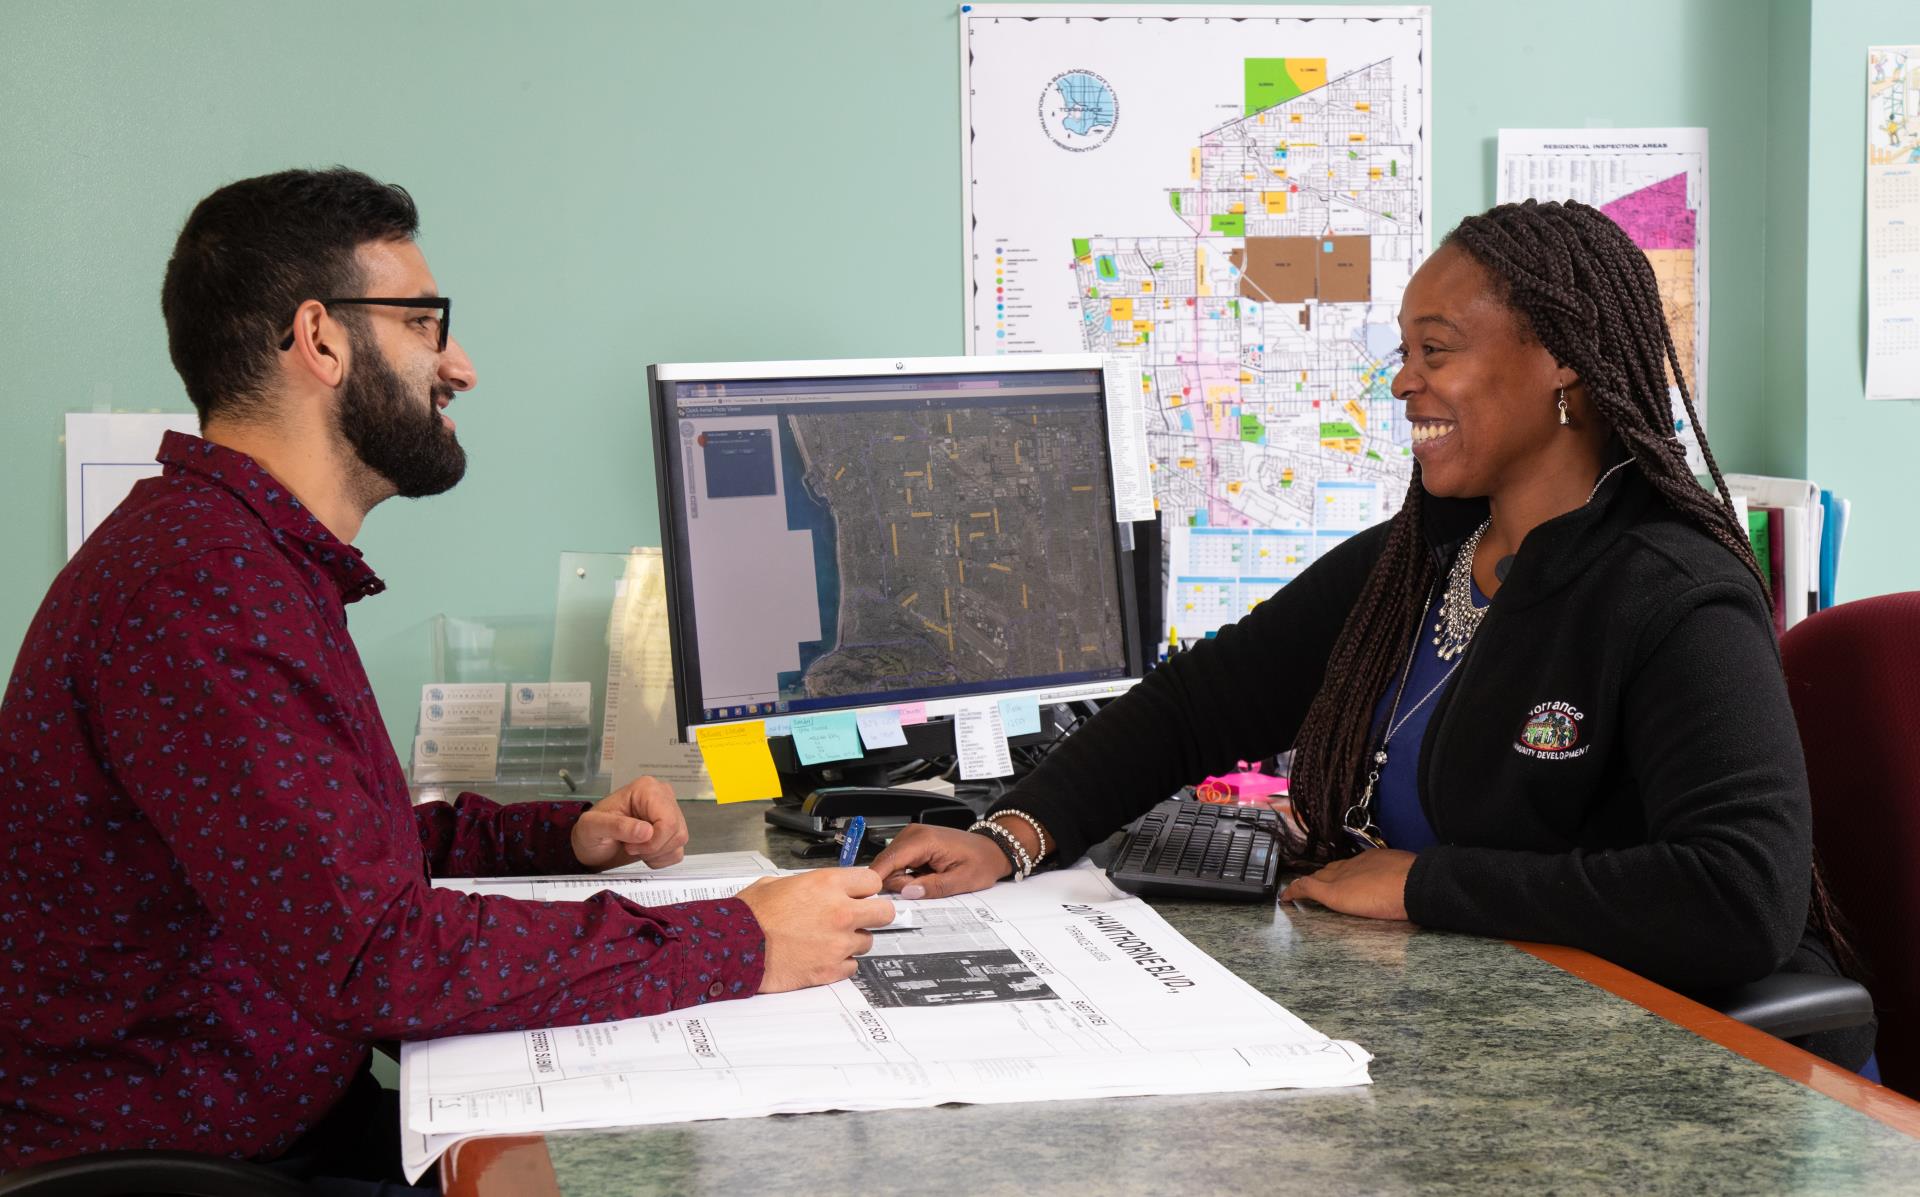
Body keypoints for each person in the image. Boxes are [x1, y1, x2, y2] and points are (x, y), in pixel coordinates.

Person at [0, 168, 893, 1187]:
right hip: (173, 1162)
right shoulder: (199, 591)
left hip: (266, 1115)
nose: (459, 365)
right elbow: (371, 951)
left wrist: (557, 835)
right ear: (320, 339)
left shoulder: (238, 558)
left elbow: (321, 857)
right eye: (425, 323)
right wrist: (738, 941)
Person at [872, 199, 1872, 1068]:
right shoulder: (1422, 560)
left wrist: (1430, 886)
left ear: (1561, 359)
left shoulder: (1673, 591)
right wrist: (1012, 834)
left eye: (1436, 351)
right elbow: (1198, 703)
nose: (1403, 385)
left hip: (1665, 1059)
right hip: (1483, 1028)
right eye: (1403, 354)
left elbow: (1741, 896)